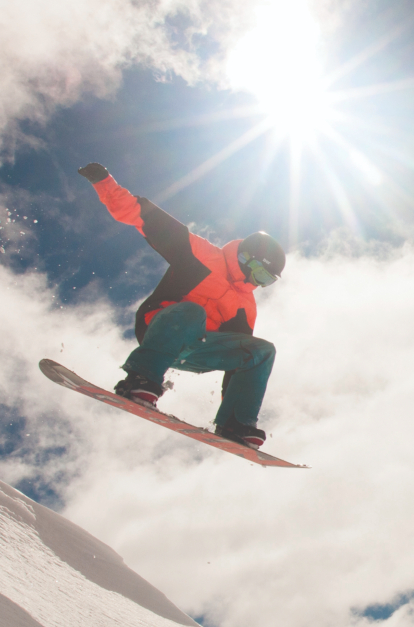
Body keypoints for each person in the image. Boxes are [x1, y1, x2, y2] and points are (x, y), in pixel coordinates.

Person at [77, 162, 285, 448]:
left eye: (268, 281)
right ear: (247, 259)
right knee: (193, 311)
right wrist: (104, 183)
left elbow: (238, 362)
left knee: (262, 351)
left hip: (197, 351)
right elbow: (143, 216)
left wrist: (234, 405)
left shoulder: (245, 305)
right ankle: (140, 378)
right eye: (262, 275)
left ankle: (235, 423)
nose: (260, 285)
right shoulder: (200, 253)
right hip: (160, 329)